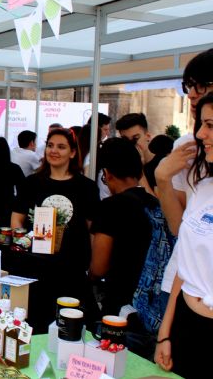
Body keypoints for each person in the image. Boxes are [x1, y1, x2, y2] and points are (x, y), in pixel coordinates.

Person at [12, 128, 100, 330]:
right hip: (37, 267)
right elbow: (17, 219)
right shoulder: (32, 183)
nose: (54, 151)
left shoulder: (86, 187)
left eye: (61, 147)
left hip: (73, 269)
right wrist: (24, 245)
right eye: (50, 145)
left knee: (70, 327)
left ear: (72, 152)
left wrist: (94, 264)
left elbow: (92, 228)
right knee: (36, 324)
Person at [154, 93, 213, 378]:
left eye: (211, 125)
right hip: (187, 327)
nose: (201, 134)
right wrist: (165, 332)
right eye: (201, 124)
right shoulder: (202, 187)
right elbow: (185, 261)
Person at [89, 138, 162, 359]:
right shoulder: (155, 204)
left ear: (107, 173)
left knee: (113, 362)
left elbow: (99, 267)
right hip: (151, 306)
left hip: (119, 304)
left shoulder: (111, 207)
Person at [155, 48, 213, 301]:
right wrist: (163, 180)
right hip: (183, 280)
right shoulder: (186, 147)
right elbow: (180, 227)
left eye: (201, 86)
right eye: (188, 86)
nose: (191, 95)